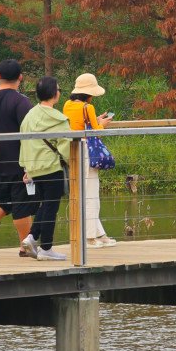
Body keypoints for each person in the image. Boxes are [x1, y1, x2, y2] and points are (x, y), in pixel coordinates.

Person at [0, 59, 39, 253]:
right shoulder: (21, 102)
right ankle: (25, 247)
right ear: (20, 77)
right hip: (18, 161)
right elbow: (29, 132)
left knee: (0, 200)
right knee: (22, 205)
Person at [17, 76, 70, 260]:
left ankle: (32, 238)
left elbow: (23, 142)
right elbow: (66, 147)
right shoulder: (59, 119)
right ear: (55, 94)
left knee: (45, 205)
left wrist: (26, 168)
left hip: (34, 168)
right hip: (51, 167)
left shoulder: (29, 116)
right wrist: (71, 162)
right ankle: (46, 248)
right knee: (51, 206)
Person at [64, 72, 117, 248]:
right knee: (91, 194)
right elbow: (96, 131)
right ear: (89, 93)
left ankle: (98, 233)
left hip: (74, 149)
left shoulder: (67, 105)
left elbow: (77, 124)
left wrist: (96, 120)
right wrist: (103, 123)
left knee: (86, 193)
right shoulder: (88, 107)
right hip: (87, 150)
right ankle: (88, 237)